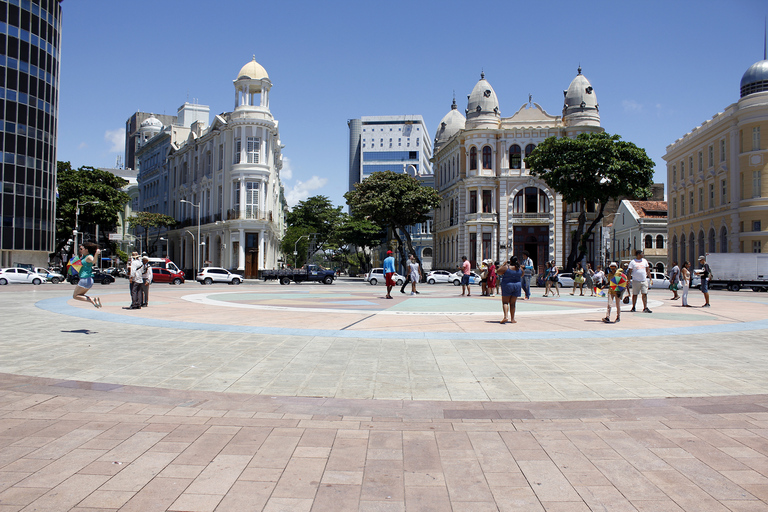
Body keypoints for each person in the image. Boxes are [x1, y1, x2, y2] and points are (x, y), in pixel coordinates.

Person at [72, 243, 101, 308]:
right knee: (80, 295)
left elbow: (93, 261)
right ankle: (93, 299)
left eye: (81, 249)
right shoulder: (84, 257)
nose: (80, 250)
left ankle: (92, 299)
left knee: (75, 296)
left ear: (86, 250)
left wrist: (96, 254)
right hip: (87, 279)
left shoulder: (89, 256)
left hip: (85, 279)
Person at [497, 255, 522, 324]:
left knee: (505, 302)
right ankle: (513, 319)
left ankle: (505, 317)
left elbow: (498, 272)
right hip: (517, 286)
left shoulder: (506, 267)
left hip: (507, 285)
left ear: (510, 261)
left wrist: (503, 264)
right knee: (513, 303)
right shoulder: (519, 268)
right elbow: (522, 275)